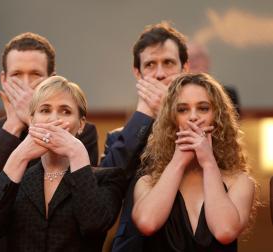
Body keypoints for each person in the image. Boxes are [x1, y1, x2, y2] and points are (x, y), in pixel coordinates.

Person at [0, 32, 98, 251]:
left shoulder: (80, 133)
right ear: (4, 80)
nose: (26, 85)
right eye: (17, 75)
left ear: (51, 78)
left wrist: (31, 118)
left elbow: (83, 199)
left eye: (35, 74)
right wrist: (13, 126)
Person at [0, 76, 130, 251]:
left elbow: (93, 225)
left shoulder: (108, 179)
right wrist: (19, 156)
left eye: (65, 111)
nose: (53, 120)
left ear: (81, 124)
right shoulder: (17, 179)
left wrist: (77, 152)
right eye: (45, 110)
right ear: (32, 120)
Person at [131, 73, 255, 251]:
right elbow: (147, 223)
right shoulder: (147, 183)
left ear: (218, 118)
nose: (193, 117)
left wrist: (209, 162)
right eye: (182, 109)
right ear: (172, 119)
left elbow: (225, 231)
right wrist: (178, 161)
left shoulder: (240, 182)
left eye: (203, 108)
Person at [97, 22, 189, 250]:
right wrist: (143, 115)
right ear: (137, 73)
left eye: (168, 63)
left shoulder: (208, 127)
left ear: (184, 69)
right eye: (150, 65)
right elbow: (104, 190)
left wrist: (170, 113)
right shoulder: (120, 137)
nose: (159, 74)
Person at [187, 41, 241, 116]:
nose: (193, 61)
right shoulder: (175, 94)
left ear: (207, 61)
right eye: (188, 57)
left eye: (198, 56)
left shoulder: (227, 94)